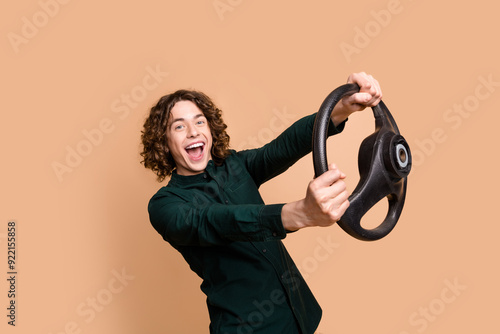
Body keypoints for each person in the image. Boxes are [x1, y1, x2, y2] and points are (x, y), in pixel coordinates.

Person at [140, 72, 382, 334]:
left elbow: (282, 148)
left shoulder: (235, 165)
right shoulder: (165, 205)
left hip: (299, 316)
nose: (193, 131)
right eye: (179, 126)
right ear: (164, 143)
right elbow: (214, 221)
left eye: (199, 121)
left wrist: (338, 110)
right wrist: (298, 214)